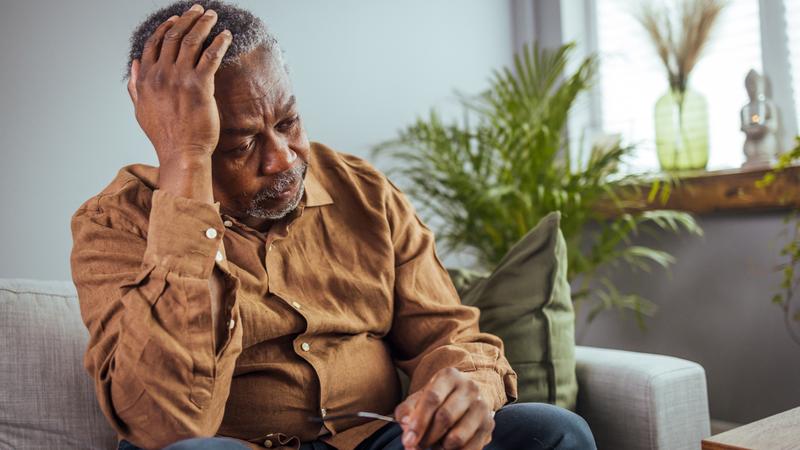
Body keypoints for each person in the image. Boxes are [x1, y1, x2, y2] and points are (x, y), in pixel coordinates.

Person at [70, 1, 597, 449]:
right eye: (240, 144)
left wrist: (464, 392)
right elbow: (165, 425)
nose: (282, 159)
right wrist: (185, 163)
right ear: (176, 134)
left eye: (288, 122)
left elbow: (450, 333)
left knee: (552, 432)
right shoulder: (116, 223)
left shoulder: (363, 191)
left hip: (383, 440)